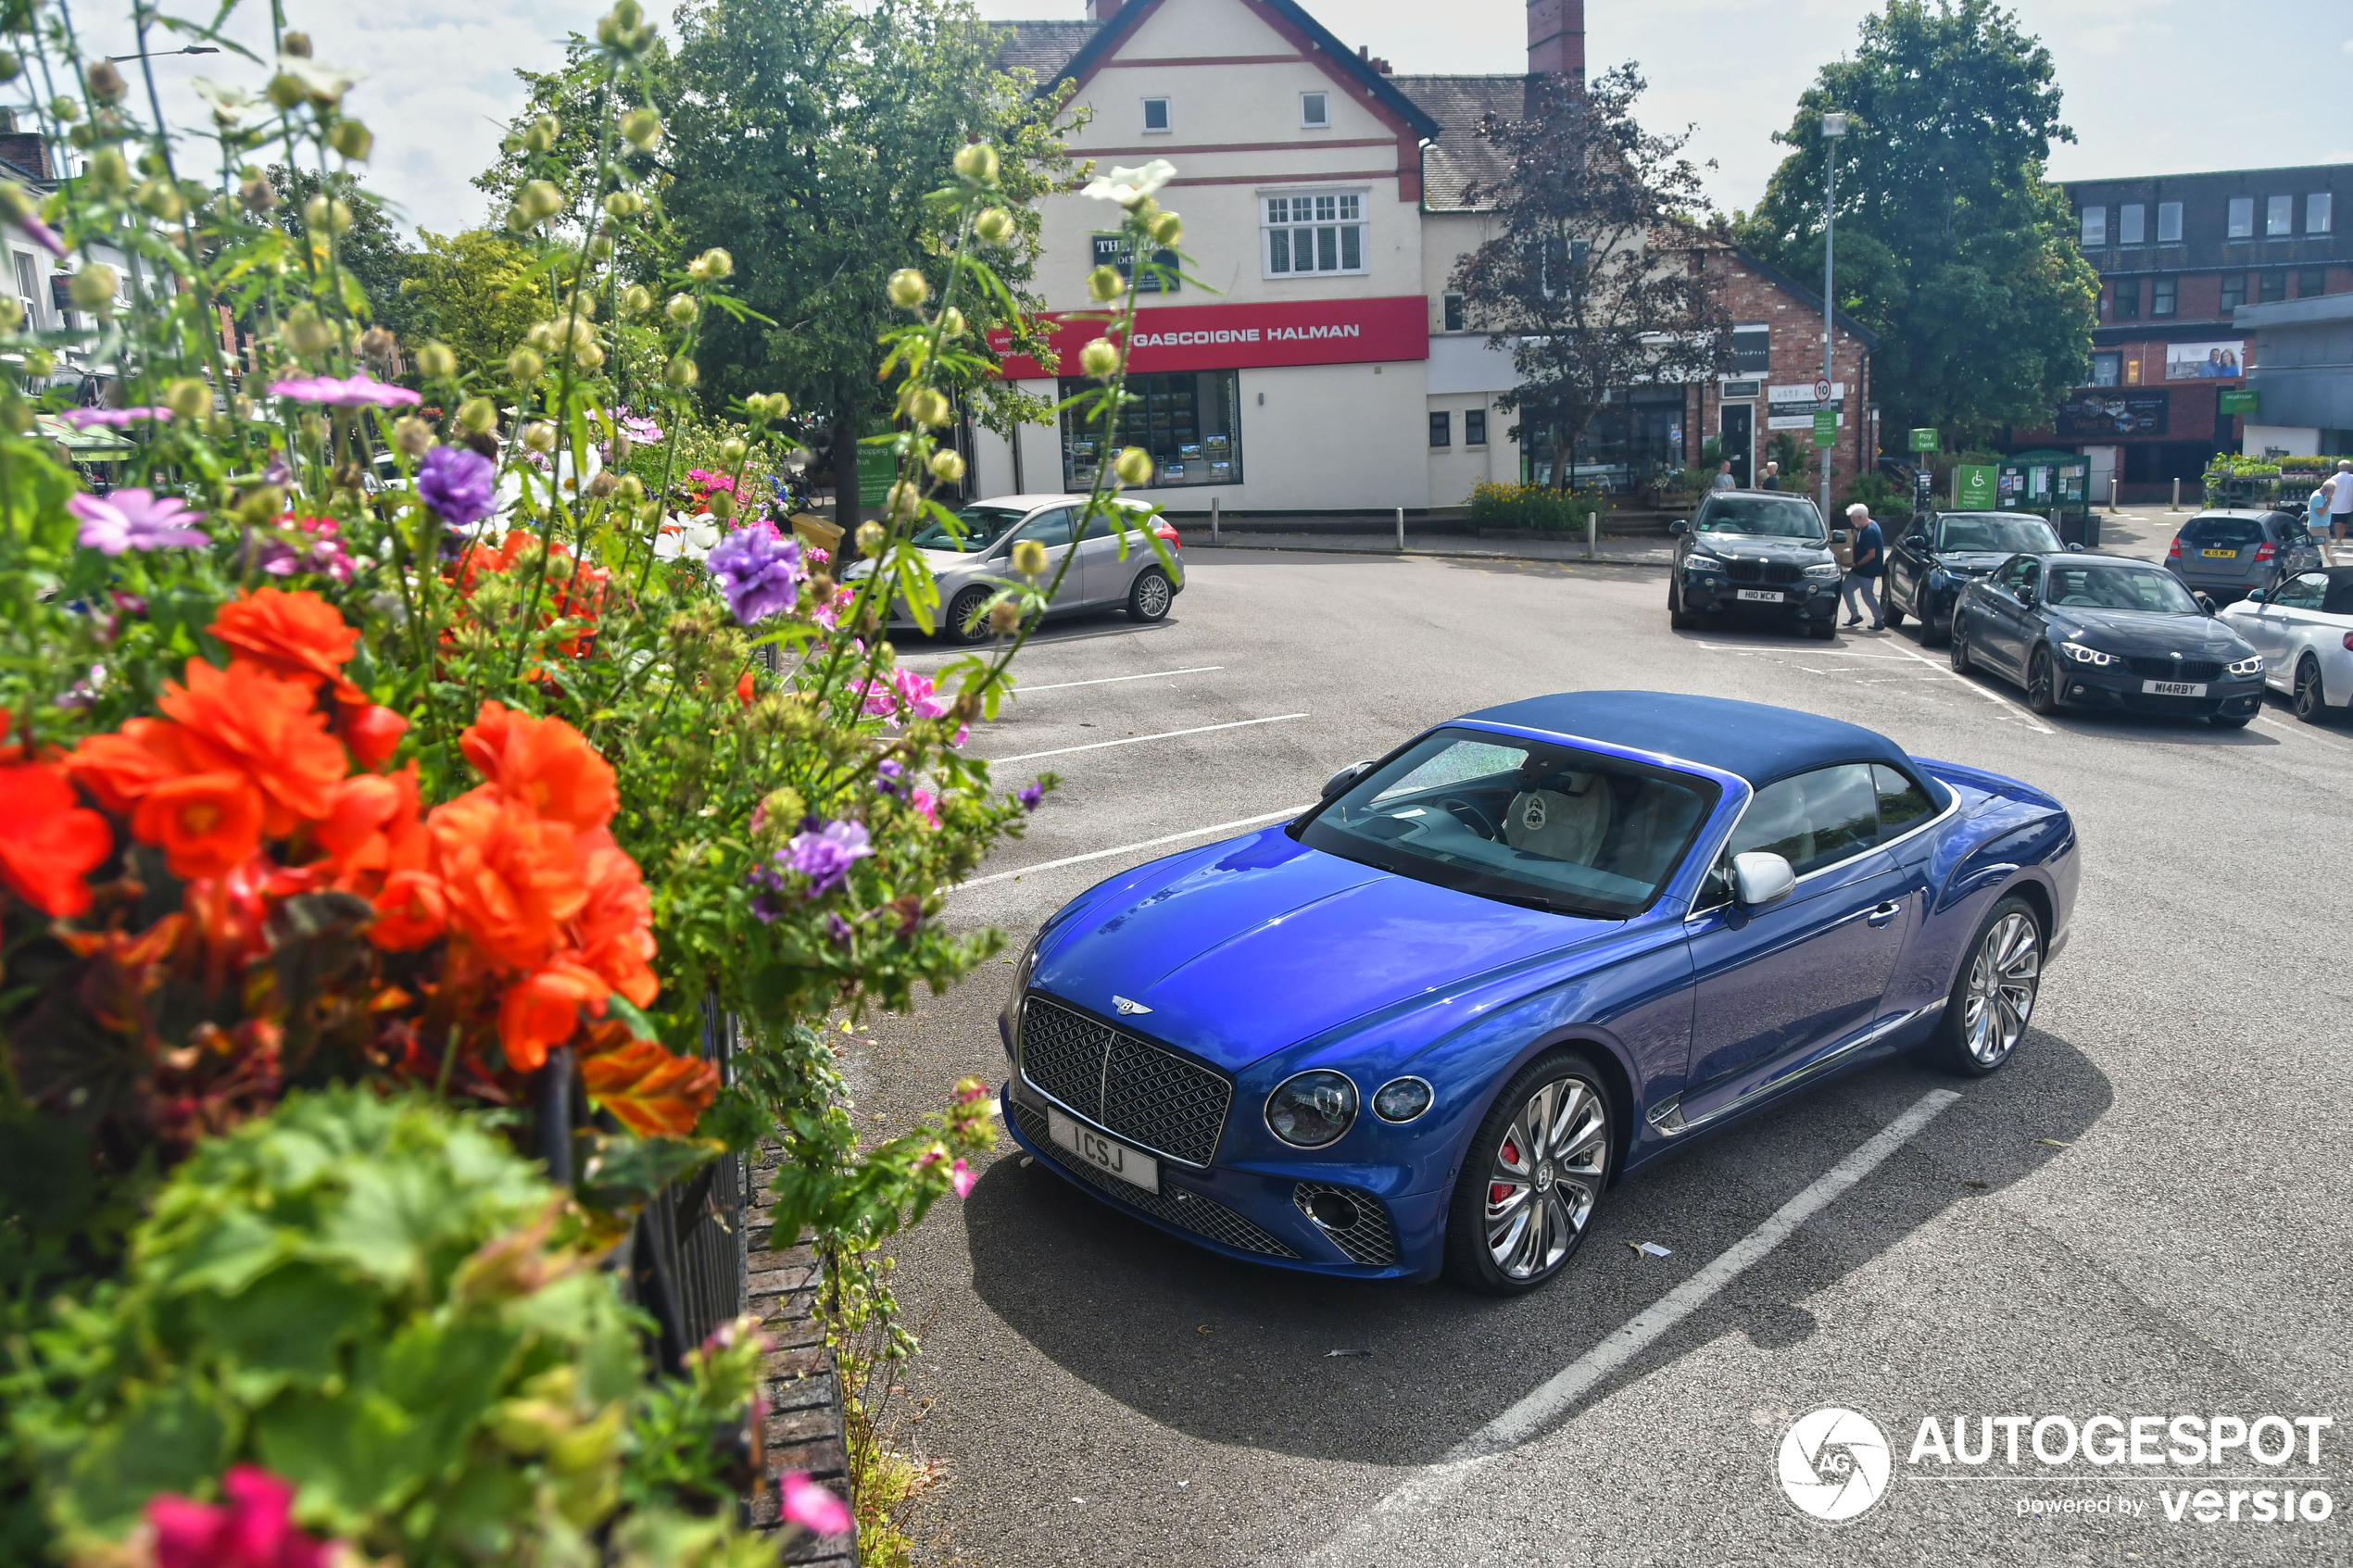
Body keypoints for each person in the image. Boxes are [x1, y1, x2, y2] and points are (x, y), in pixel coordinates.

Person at [1841, 501, 1884, 632]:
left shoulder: (1869, 531)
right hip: (1859, 570)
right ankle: (1855, 615)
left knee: (1867, 594)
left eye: (1853, 518)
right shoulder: (1868, 527)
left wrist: (1856, 564)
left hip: (1866, 570)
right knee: (1847, 588)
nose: (1852, 521)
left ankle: (1879, 620)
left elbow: (1872, 554)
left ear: (1859, 517)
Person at [2331, 461, 2353, 554]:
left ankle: (2338, 540)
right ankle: (2340, 540)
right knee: (2344, 523)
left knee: (2337, 523)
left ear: (2339, 468)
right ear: (2348, 468)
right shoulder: (2352, 478)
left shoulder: (2334, 478)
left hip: (2336, 504)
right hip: (2348, 504)